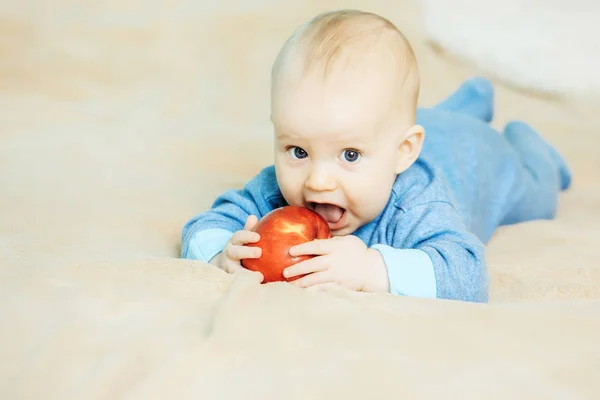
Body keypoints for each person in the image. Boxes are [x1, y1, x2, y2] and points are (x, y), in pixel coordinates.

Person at [180, 10, 572, 303]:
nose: (318, 181)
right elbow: (205, 224)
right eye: (298, 150)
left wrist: (374, 269)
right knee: (433, 118)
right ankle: (469, 102)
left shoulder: (417, 205)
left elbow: (468, 275)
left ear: (404, 153)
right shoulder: (273, 194)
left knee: (536, 194)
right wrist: (221, 253)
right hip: (426, 127)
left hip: (479, 159)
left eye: (349, 154)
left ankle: (529, 145)